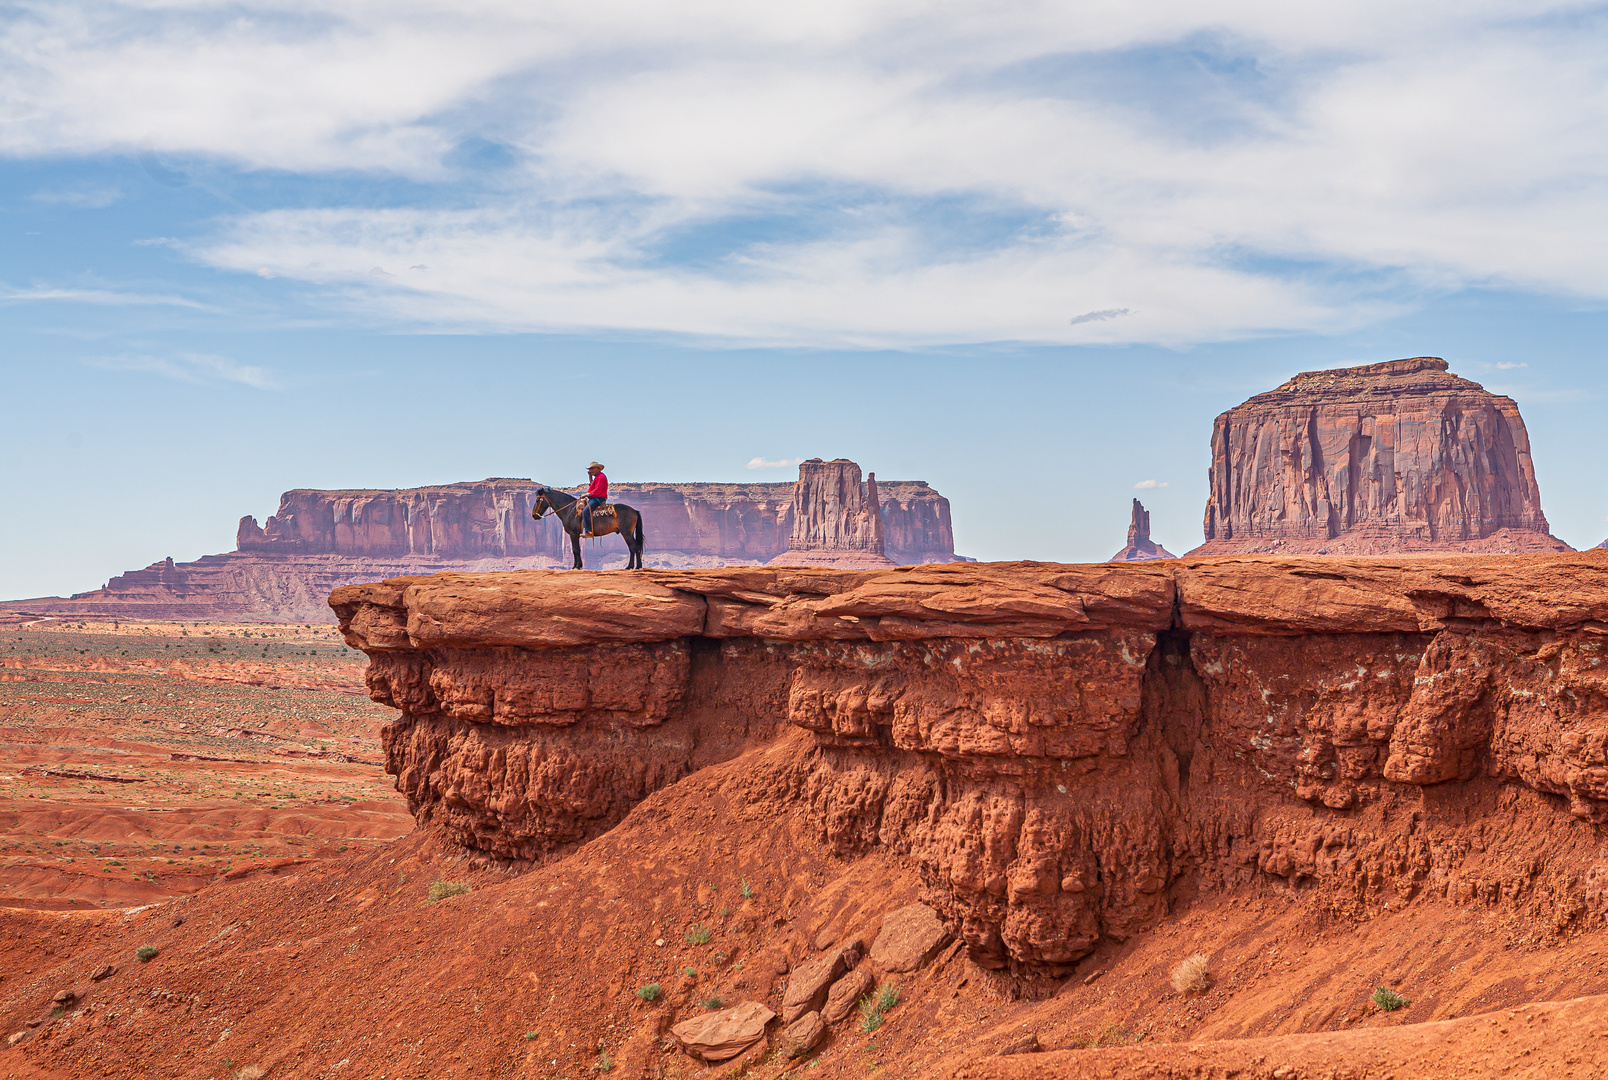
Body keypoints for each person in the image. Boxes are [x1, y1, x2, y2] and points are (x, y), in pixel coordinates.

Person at [581, 461, 608, 536]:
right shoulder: (597, 477)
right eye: (590, 469)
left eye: (592, 469)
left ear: (597, 468)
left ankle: (589, 531)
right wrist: (590, 477)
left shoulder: (601, 477)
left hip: (598, 498)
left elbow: (597, 491)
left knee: (585, 511)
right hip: (595, 497)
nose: (590, 471)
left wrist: (587, 494)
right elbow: (592, 486)